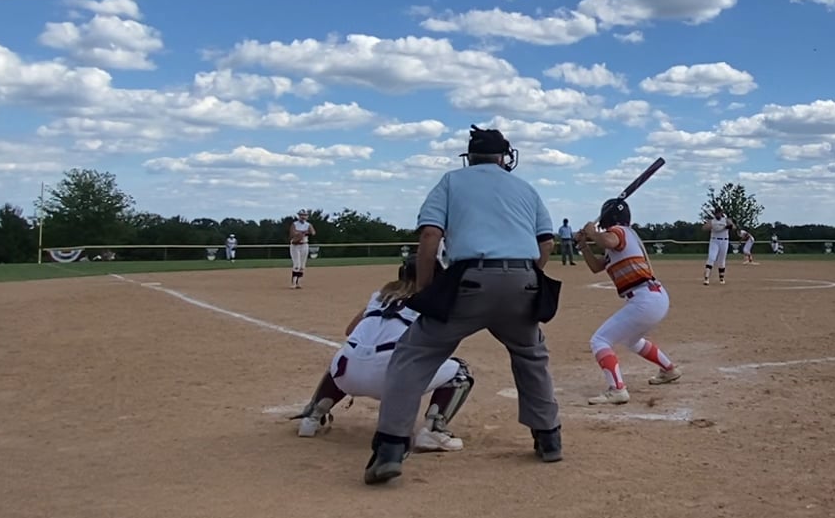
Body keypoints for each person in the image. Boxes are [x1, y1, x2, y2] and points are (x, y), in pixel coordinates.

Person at [363, 125, 562, 486]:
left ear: (470, 157)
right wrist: (524, 277)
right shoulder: (525, 188)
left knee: (415, 353)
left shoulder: (452, 181)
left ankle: (391, 448)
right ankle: (549, 438)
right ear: (504, 157)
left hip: (470, 280)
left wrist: (426, 289)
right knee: (531, 354)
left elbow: (430, 236)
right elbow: (545, 243)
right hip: (523, 281)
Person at [290, 259, 472, 451]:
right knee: (460, 370)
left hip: (346, 377)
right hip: (393, 380)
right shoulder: (432, 302)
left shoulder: (379, 296)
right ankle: (434, 431)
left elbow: (350, 330)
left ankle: (312, 416)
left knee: (347, 357)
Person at [574, 197, 682, 404]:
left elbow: (608, 240)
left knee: (599, 340)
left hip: (645, 298)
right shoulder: (619, 240)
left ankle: (617, 390)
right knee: (631, 340)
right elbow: (596, 267)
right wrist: (584, 245)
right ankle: (669, 369)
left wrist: (592, 232)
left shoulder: (620, 232)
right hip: (652, 297)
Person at [702, 211, 732, 285]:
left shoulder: (726, 220)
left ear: (721, 213)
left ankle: (721, 277)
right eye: (716, 213)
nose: (717, 214)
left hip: (724, 241)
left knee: (722, 259)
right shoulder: (712, 221)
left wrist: (729, 225)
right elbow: (704, 228)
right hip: (714, 240)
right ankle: (706, 277)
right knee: (711, 257)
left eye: (719, 213)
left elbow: (733, 227)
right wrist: (709, 227)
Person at [287, 210, 313, 289]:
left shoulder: (308, 224)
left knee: (302, 265)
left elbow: (313, 232)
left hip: (304, 245)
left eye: (305, 215)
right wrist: (302, 233)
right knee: (297, 264)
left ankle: (299, 282)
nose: (303, 217)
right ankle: (294, 282)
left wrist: (302, 233)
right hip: (296, 245)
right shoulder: (295, 224)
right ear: (299, 216)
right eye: (301, 215)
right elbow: (292, 233)